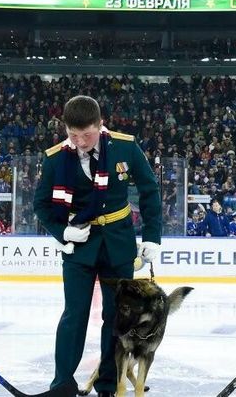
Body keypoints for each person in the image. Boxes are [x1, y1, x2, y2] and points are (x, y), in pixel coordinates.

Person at [33, 95, 161, 397]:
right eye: (72, 135)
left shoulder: (126, 147)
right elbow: (41, 204)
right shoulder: (54, 158)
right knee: (73, 314)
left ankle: (108, 385)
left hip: (118, 243)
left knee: (116, 317)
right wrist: (62, 232)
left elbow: (149, 190)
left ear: (100, 125)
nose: (79, 141)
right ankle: (62, 383)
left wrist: (153, 236)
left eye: (86, 134)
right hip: (79, 247)